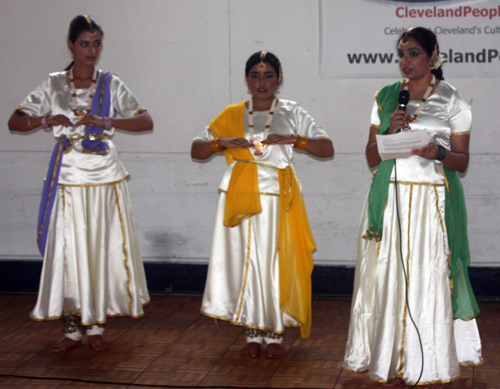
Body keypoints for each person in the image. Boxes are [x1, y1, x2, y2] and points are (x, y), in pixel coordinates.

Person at [343, 27, 482, 387]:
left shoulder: (453, 100)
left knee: (427, 278)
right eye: (402, 53)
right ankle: (393, 361)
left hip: (431, 203)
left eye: (414, 53)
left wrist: (437, 152)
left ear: (433, 55)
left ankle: (427, 363)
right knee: (389, 278)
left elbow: (461, 162)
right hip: (390, 199)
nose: (406, 61)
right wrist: (388, 130)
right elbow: (371, 156)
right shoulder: (386, 97)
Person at [8, 15, 153, 353]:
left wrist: (107, 121)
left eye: (97, 43)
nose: (92, 50)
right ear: (71, 45)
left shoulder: (110, 83)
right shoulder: (54, 83)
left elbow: (145, 121)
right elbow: (15, 121)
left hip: (105, 177)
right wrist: (43, 119)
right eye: (85, 43)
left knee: (100, 247)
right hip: (68, 178)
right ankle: (72, 329)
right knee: (69, 251)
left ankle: (97, 325)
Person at [191, 51, 333, 359]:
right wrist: (220, 143)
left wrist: (296, 140)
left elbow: (326, 148)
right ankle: (252, 332)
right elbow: (196, 150)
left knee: (273, 263)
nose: (262, 82)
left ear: (279, 78)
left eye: (269, 75)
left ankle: (274, 333)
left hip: (277, 200)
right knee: (246, 264)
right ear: (246, 79)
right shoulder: (232, 113)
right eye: (255, 75)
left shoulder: (292, 111)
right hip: (238, 199)